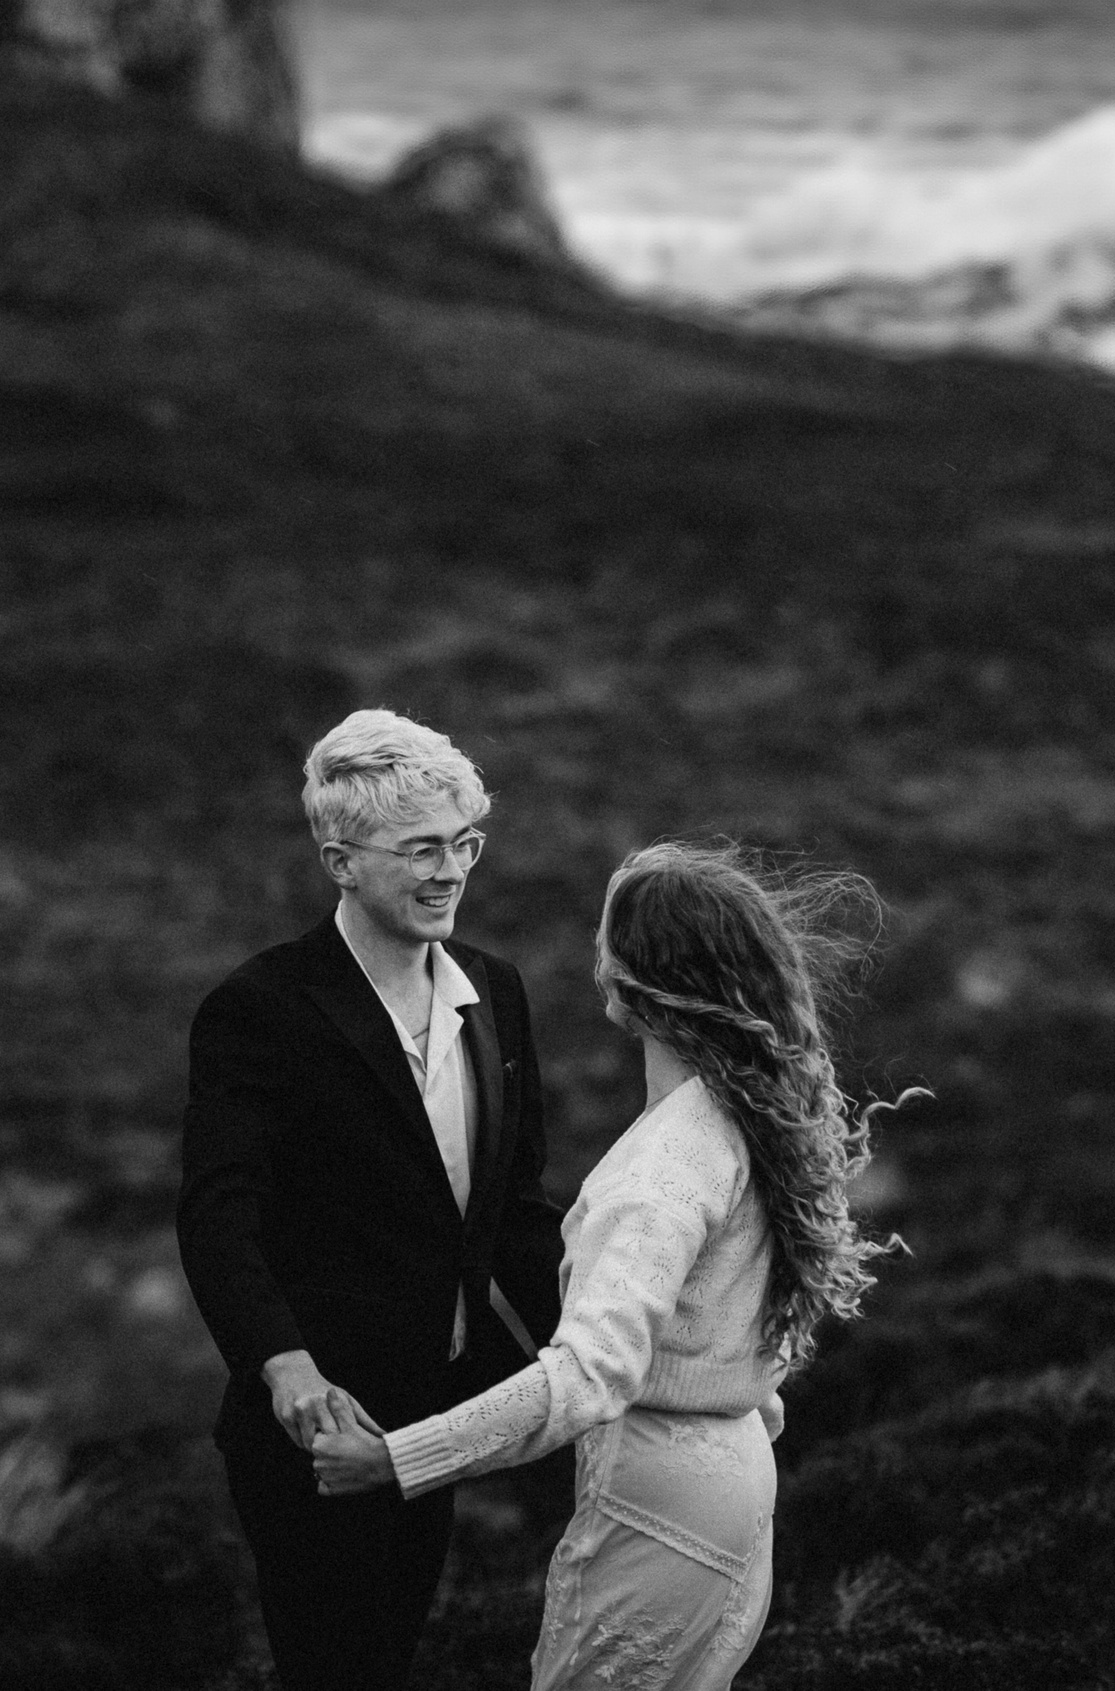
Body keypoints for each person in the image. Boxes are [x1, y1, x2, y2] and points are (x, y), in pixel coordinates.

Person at [311, 839, 907, 1691]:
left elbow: (588, 1373)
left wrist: (399, 1459)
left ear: (627, 982)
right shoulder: (739, 1117)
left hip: (663, 1506)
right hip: (735, 1483)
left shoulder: (664, 1165)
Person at [176, 709, 567, 1691]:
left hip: (443, 1411)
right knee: (336, 1670)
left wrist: (596, 1351)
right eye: (420, 850)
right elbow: (218, 1213)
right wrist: (284, 1367)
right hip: (318, 1430)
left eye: (464, 844)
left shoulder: (497, 991)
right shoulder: (259, 1008)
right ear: (339, 860)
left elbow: (515, 1207)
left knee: (393, 1652)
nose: (450, 873)